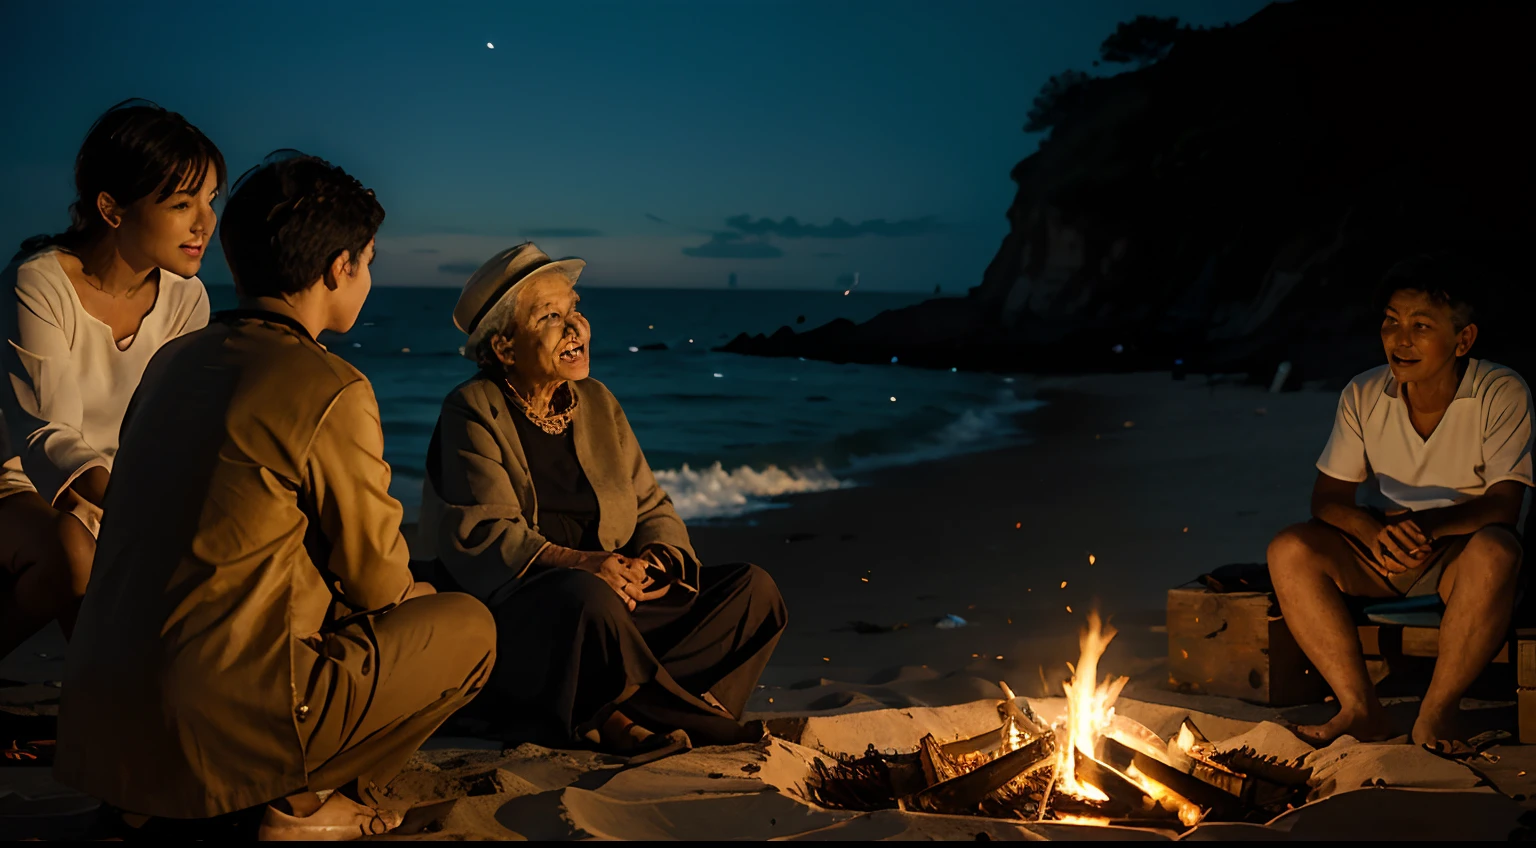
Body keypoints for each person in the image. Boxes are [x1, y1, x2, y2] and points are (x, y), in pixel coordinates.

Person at [55, 151, 496, 840]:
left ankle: (171, 795)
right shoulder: (330, 384)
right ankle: (298, 806)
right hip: (222, 715)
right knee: (469, 628)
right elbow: (378, 580)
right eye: (369, 261)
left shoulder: (173, 361)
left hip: (104, 727)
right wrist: (417, 599)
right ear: (338, 268)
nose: (369, 277)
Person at [416, 242, 787, 760]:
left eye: (576, 310)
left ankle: (632, 707)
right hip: (536, 620)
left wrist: (654, 562)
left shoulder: (598, 402)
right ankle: (666, 720)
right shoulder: (471, 409)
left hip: (617, 608)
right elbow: (485, 533)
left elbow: (652, 506)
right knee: (585, 600)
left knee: (754, 591)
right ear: (503, 347)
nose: (575, 329)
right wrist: (587, 565)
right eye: (550, 317)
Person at [1268, 253, 1533, 751]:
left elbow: (1504, 505)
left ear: (1463, 339)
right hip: (1384, 547)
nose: (1400, 339)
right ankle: (1359, 708)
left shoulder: (1500, 391)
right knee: (1289, 548)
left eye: (1420, 325)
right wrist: (1372, 532)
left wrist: (1429, 527)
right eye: (1391, 322)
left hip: (1462, 550)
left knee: (1499, 550)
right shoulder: (1365, 392)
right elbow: (1327, 497)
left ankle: (1436, 715)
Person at [1, 100, 220, 661]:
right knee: (74, 553)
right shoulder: (38, 283)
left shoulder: (186, 298)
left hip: (118, 493)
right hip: (20, 482)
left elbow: (175, 430)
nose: (204, 222)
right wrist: (138, 510)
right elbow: (44, 436)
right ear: (111, 208)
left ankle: (103, 706)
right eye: (181, 203)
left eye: (209, 200)